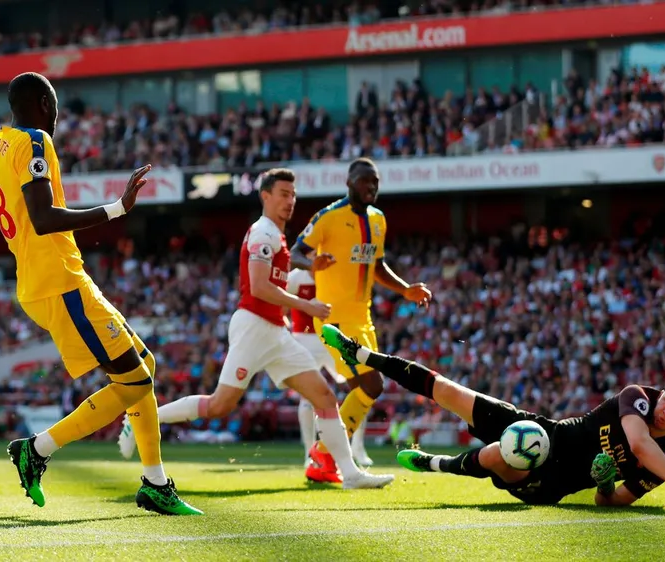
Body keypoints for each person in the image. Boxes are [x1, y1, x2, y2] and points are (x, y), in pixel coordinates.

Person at [0, 72, 200, 515]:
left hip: (49, 279)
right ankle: (37, 449)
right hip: (58, 281)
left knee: (143, 366)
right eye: (56, 107)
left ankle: (155, 483)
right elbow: (42, 219)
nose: (58, 117)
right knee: (136, 380)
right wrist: (118, 209)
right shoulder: (35, 141)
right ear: (43, 102)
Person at [117, 168, 395, 490]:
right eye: (282, 194)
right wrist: (306, 306)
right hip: (254, 327)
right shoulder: (263, 232)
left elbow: (277, 279)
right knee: (220, 405)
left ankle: (350, 474)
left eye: (292, 195)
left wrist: (308, 273)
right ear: (265, 196)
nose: (290, 201)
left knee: (325, 396)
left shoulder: (277, 235)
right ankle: (138, 417)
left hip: (276, 330)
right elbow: (260, 287)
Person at [321, 324, 665, 509]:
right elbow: (637, 441)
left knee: (500, 453)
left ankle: (434, 463)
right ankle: (361, 354)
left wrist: (604, 483)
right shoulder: (638, 397)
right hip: (545, 432)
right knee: (450, 391)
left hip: (552, 483)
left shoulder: (664, 462)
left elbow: (613, 503)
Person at [290, 157, 432, 482]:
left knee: (363, 390)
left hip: (362, 318)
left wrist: (406, 290)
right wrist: (312, 265)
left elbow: (377, 266)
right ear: (349, 183)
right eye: (365, 180)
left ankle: (323, 458)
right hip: (334, 319)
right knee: (372, 384)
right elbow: (296, 252)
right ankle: (326, 457)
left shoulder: (378, 220)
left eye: (376, 182)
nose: (371, 187)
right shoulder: (328, 217)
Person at [286, 268, 369, 467]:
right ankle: (309, 453)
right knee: (307, 397)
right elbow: (282, 301)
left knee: (363, 389)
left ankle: (358, 447)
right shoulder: (297, 276)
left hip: (334, 338)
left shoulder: (335, 272)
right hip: (304, 339)